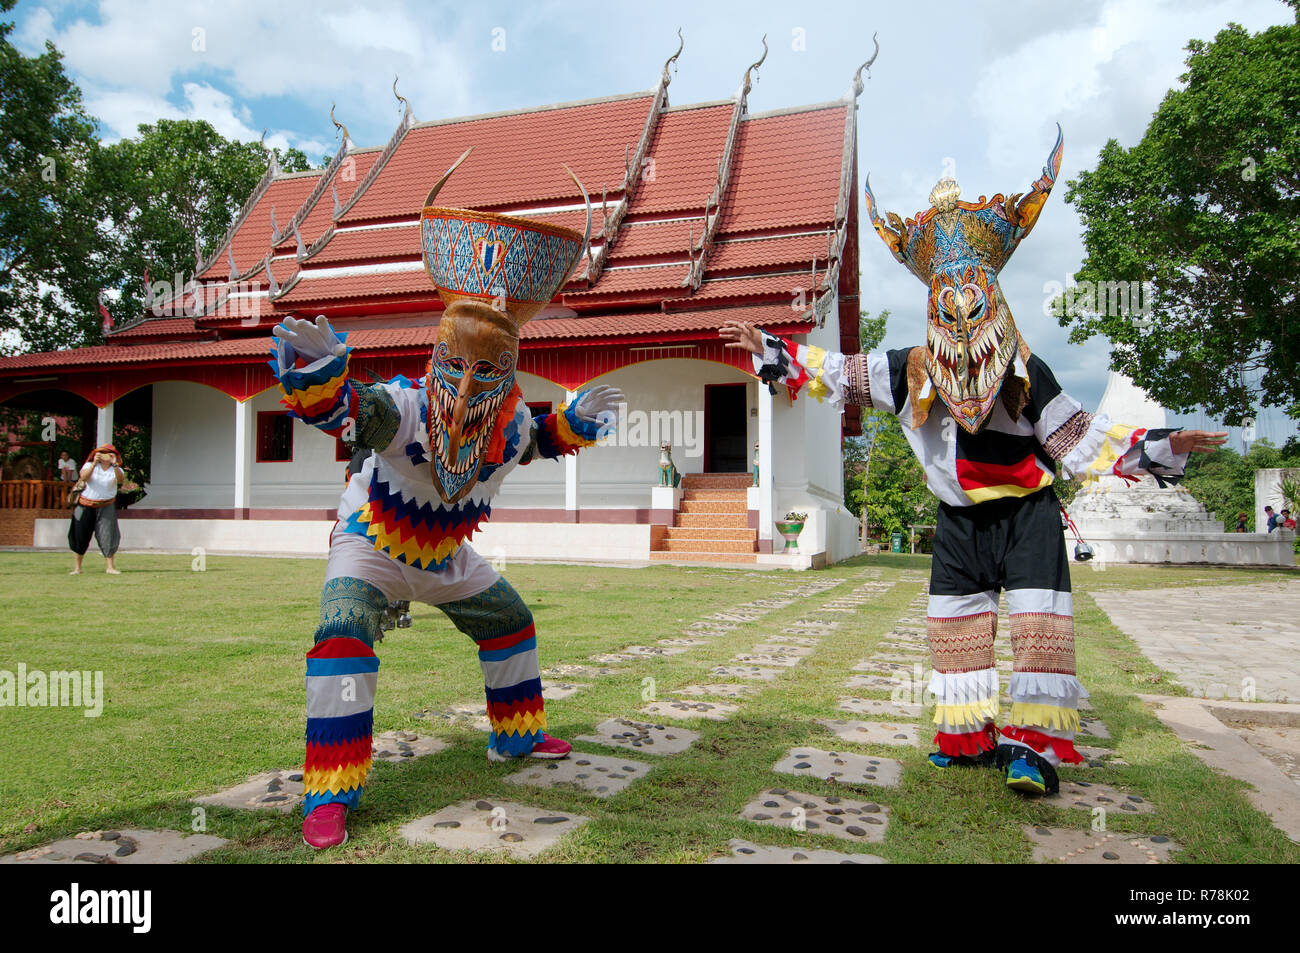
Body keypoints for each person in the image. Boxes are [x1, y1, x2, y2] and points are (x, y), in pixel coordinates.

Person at [721, 127, 1227, 799]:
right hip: (958, 520)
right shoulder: (909, 370)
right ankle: (965, 740)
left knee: (1040, 630)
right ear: (934, 309)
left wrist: (1165, 444)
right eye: (949, 309)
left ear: (993, 305)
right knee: (954, 626)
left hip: (1028, 514)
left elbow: (1084, 439)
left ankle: (1035, 750)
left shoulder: (1025, 369)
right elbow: (837, 373)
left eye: (973, 307)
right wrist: (773, 349)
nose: (962, 325)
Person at [276, 155, 622, 849]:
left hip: (448, 554)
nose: (465, 388)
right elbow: (345, 409)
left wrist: (574, 423)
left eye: (486, 371)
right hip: (370, 543)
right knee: (342, 634)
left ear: (510, 373)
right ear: (435, 357)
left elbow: (538, 442)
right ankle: (329, 789)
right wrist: (317, 377)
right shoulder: (401, 409)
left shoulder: (515, 422)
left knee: (509, 621)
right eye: (455, 365)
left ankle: (516, 737)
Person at [68, 444, 124, 575]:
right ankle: (77, 568)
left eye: (109, 453)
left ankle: (110, 567)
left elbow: (120, 480)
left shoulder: (116, 469)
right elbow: (83, 477)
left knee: (108, 535)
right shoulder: (89, 466)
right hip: (84, 505)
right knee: (79, 535)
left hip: (106, 506)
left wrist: (114, 464)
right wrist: (94, 463)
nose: (105, 455)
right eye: (102, 452)